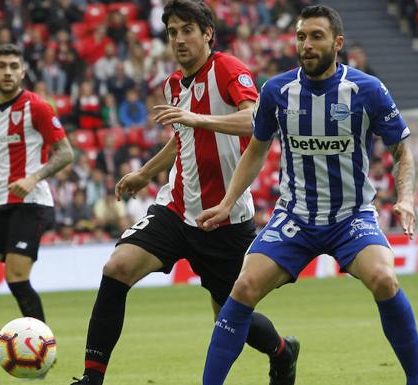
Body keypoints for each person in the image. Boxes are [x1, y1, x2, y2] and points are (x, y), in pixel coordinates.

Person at [197, 5, 418, 385]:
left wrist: (405, 198)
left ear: (337, 43)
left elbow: (403, 152)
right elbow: (256, 149)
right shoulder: (276, 91)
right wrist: (226, 202)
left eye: (316, 36)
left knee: (385, 279)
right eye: (301, 36)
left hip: (351, 217)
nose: (306, 44)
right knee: (242, 287)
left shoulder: (366, 89)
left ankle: (417, 381)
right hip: (295, 217)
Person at [71, 1, 299, 385]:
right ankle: (92, 378)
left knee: (229, 318)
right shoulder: (173, 84)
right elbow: (183, 138)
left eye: (187, 30)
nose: (178, 39)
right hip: (175, 209)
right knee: (117, 268)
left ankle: (281, 350)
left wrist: (200, 118)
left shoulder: (228, 69)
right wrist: (145, 173)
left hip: (223, 219)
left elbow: (256, 119)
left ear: (207, 33)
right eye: (172, 32)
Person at [0, 43, 74, 382]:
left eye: (13, 66)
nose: (7, 71)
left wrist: (33, 177)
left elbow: (66, 153)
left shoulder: (36, 106)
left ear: (22, 72)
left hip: (31, 203)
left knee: (16, 276)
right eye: (1, 66)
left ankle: (43, 351)